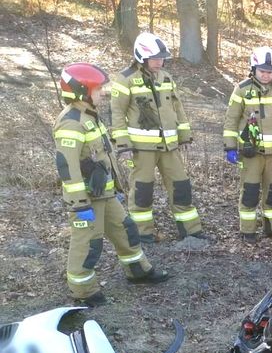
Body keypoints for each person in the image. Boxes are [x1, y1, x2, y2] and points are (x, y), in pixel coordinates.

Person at [53, 63, 168, 306]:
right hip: (87, 200)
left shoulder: (89, 115)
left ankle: (138, 271)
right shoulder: (71, 122)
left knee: (126, 229)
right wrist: (79, 204)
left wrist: (114, 188)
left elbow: (102, 156)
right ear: (81, 91)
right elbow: (67, 167)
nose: (103, 93)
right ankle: (83, 290)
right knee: (88, 244)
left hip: (103, 194)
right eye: (98, 89)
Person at [109, 32, 203, 243]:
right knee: (142, 191)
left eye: (162, 58)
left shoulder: (166, 78)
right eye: (155, 58)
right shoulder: (125, 79)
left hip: (169, 147)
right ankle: (142, 233)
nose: (160, 62)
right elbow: (117, 113)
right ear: (141, 57)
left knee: (181, 187)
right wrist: (123, 144)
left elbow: (178, 108)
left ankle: (191, 230)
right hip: (142, 149)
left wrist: (184, 135)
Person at [221, 47, 272, 240]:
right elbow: (231, 120)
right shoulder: (242, 89)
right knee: (249, 192)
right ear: (254, 68)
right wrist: (230, 146)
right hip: (251, 153)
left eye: (269, 71)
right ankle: (247, 231)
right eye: (262, 71)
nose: (266, 75)